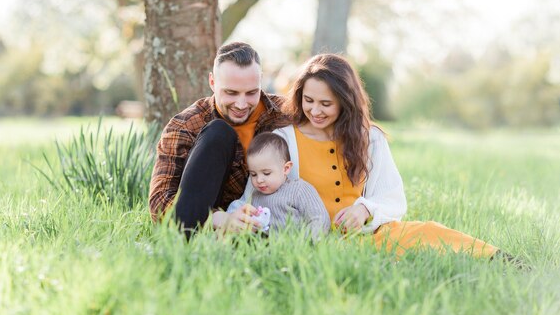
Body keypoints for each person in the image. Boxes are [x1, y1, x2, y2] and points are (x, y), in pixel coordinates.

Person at [272, 53, 499, 258]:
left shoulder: (370, 138)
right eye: (308, 101)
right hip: (313, 243)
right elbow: (262, 196)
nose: (315, 111)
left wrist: (364, 209)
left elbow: (392, 198)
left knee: (427, 232)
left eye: (326, 104)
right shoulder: (283, 140)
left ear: (345, 102)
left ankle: (499, 259)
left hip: (369, 236)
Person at [149, 42, 288, 235]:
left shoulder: (286, 113)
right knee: (218, 131)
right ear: (212, 82)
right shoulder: (185, 125)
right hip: (206, 226)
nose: (241, 104)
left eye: (251, 93)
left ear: (260, 81)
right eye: (231, 93)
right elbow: (159, 202)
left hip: (276, 222)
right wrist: (219, 218)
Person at [227, 132, 331, 239]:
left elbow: (320, 218)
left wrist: (306, 243)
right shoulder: (255, 195)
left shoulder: (299, 189)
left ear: (286, 168)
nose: (259, 180)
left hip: (295, 246)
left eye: (266, 173)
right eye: (253, 174)